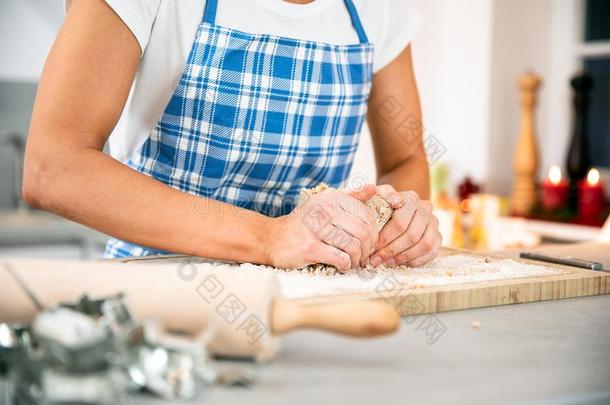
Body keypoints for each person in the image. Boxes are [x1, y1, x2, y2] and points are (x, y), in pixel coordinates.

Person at [23, 0, 441, 270]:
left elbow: (405, 162)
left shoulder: (378, 12)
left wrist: (393, 221)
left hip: (311, 300)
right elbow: (55, 168)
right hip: (161, 296)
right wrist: (267, 238)